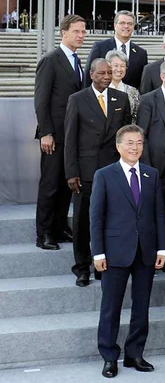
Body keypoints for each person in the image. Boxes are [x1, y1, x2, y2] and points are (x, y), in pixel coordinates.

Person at [90, 125, 165, 378]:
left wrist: (162, 248)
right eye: (130, 143)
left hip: (145, 250)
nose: (135, 147)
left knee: (141, 305)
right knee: (111, 307)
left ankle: (135, 354)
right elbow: (96, 217)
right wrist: (98, 253)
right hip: (114, 252)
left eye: (139, 143)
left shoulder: (152, 174)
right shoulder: (104, 175)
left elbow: (158, 214)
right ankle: (109, 356)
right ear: (118, 146)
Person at [65, 58, 131, 287]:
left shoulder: (121, 98)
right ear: (91, 74)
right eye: (101, 73)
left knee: (110, 221)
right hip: (85, 172)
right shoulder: (77, 99)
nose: (106, 76)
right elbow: (70, 138)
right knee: (83, 222)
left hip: (113, 170)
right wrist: (71, 172)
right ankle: (82, 268)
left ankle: (103, 265)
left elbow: (126, 135)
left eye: (109, 73)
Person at [34, 14, 87, 250]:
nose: (81, 35)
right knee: (50, 185)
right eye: (76, 31)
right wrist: (46, 132)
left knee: (68, 183)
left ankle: (60, 227)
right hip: (54, 136)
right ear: (63, 33)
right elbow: (41, 100)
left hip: (73, 136)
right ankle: (44, 233)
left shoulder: (77, 62)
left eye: (83, 31)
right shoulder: (51, 60)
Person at [86, 10, 148, 87]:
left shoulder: (141, 53)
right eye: (122, 23)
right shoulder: (100, 47)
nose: (126, 26)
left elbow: (143, 82)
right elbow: (88, 76)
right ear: (115, 26)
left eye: (130, 24)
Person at [106, 49, 140, 124]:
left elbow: (136, 116)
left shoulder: (133, 91)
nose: (119, 69)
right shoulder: (102, 89)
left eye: (122, 66)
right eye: (116, 66)